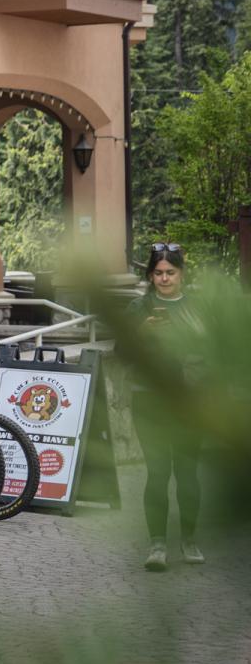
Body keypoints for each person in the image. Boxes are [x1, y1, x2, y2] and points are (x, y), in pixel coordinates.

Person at [126, 243, 204, 571]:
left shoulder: (198, 306)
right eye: (158, 273)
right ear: (150, 276)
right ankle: (157, 545)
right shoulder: (138, 307)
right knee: (158, 473)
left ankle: (189, 541)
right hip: (149, 399)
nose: (164, 279)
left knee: (187, 473)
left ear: (181, 274)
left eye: (170, 272)